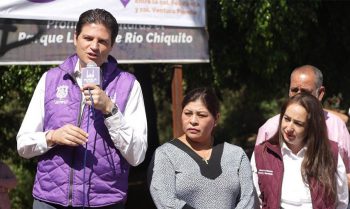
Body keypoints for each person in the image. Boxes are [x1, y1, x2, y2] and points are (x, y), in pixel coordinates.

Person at [16, 9, 147, 209]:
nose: (94, 46)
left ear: (111, 45)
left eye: (102, 41)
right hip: (50, 201)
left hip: (105, 201)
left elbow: (137, 155)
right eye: (88, 38)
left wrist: (110, 110)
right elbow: (23, 145)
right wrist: (52, 136)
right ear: (75, 38)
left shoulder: (128, 85)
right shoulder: (50, 79)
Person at [148, 87, 256, 209]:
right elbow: (165, 200)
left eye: (202, 115)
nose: (193, 121)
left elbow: (248, 198)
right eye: (187, 113)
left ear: (216, 119)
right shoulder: (166, 154)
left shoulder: (236, 155)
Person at [255, 65, 350, 187]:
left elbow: (347, 174)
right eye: (294, 90)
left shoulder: (336, 128)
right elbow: (259, 175)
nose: (298, 96)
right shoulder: (269, 128)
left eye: (305, 92)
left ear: (320, 93)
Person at [251, 92, 348, 208]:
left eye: (298, 123)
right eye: (286, 119)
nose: (289, 128)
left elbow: (341, 202)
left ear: (312, 127)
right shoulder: (262, 153)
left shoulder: (330, 153)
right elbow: (256, 200)